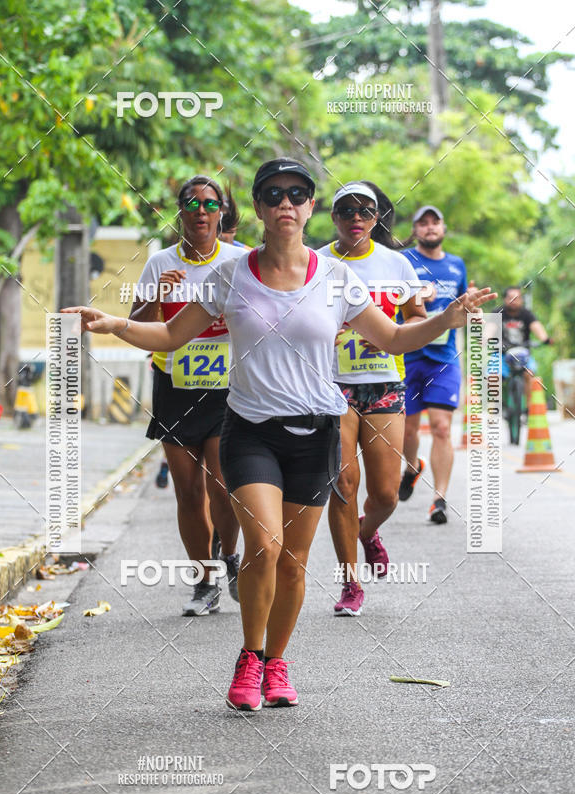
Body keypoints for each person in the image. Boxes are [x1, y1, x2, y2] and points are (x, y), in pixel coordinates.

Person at [63, 157, 496, 712]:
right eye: (273, 194)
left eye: (296, 194)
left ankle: (277, 662)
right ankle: (249, 656)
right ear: (259, 208)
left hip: (315, 433)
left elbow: (392, 338)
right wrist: (114, 324)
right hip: (250, 432)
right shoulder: (231, 274)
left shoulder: (336, 278)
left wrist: (447, 318)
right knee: (264, 546)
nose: (285, 203)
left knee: (293, 561)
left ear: (310, 207)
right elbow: (170, 335)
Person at [129, 175, 245, 614]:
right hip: (174, 387)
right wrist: (157, 297)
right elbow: (136, 325)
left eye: (210, 204)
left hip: (226, 390)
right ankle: (204, 582)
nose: (201, 211)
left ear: (221, 213)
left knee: (223, 486)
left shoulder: (239, 261)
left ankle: (229, 554)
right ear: (179, 212)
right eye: (192, 204)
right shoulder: (160, 263)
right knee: (189, 493)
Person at [319, 181, 427, 616]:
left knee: (385, 494)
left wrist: (390, 332)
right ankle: (350, 583)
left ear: (376, 216)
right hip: (331, 385)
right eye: (346, 210)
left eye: (365, 210)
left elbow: (416, 317)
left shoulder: (396, 264)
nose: (356, 217)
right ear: (334, 217)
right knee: (344, 485)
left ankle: (367, 532)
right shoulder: (316, 263)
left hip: (384, 384)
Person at [399, 205, 468, 524]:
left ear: (443, 228)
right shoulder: (403, 262)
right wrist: (415, 299)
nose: (430, 227)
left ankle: (439, 499)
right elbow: (386, 303)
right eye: (423, 223)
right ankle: (412, 466)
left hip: (444, 359)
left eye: (435, 222)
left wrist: (470, 308)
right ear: (414, 229)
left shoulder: (457, 265)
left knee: (442, 427)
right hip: (408, 355)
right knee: (408, 430)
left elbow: (463, 308)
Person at [497, 286, 551, 402]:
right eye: (510, 298)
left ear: (521, 300)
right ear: (505, 299)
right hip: (502, 354)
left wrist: (545, 339)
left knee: (529, 374)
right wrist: (485, 338)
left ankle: (528, 407)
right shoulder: (498, 312)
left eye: (517, 298)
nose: (513, 301)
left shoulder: (527, 314)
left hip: (523, 354)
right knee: (494, 377)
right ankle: (493, 410)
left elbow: (536, 327)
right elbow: (489, 329)